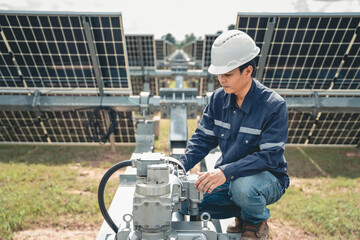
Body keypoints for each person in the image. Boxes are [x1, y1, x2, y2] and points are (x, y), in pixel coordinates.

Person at [179, 30, 289, 240]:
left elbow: (270, 157)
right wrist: (180, 165)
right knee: (186, 203)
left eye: (228, 74)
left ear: (248, 71)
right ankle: (242, 211)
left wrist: (224, 172)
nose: (221, 80)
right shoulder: (217, 100)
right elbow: (203, 139)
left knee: (243, 188)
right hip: (230, 177)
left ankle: (255, 224)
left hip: (268, 178)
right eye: (219, 74)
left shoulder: (273, 106)